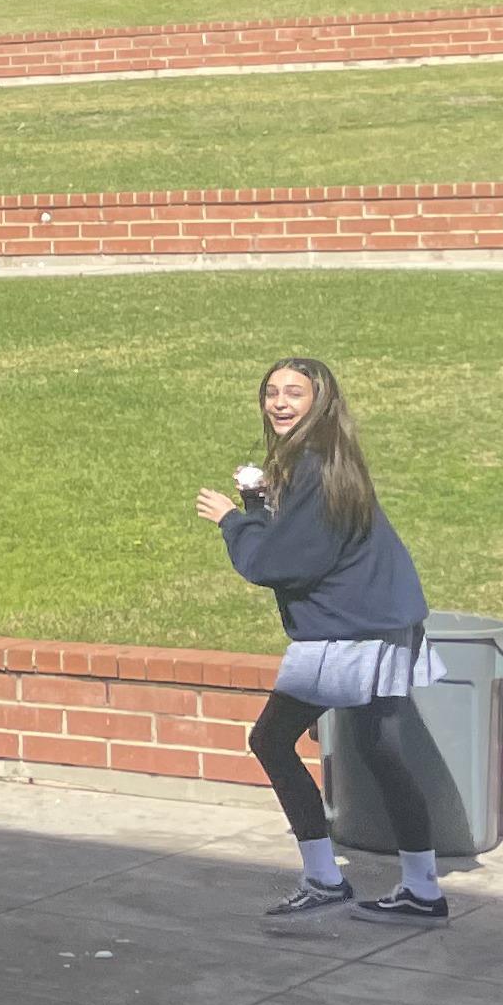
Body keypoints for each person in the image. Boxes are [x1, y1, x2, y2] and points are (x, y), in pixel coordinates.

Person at [205, 357, 451, 922]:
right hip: (382, 622)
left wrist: (232, 521)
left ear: (322, 400)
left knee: (270, 739)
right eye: (271, 392)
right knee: (381, 750)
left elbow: (282, 562)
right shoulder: (330, 459)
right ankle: (421, 887)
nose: (280, 402)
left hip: (347, 631)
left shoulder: (313, 464)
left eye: (294, 391)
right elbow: (310, 541)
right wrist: (261, 500)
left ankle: (325, 877)